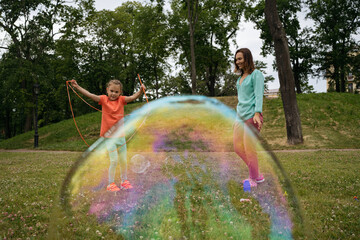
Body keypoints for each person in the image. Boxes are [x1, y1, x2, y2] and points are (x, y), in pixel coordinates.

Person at [70, 79, 146, 192]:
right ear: (107, 90)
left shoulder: (121, 100)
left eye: (116, 92)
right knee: (114, 161)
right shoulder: (103, 99)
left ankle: (124, 181)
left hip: (120, 137)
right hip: (109, 138)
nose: (113, 94)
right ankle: (111, 184)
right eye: (111, 91)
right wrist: (77, 87)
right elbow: (90, 95)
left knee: (123, 160)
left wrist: (140, 91)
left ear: (120, 93)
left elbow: (132, 97)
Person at [233, 48, 265, 188]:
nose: (237, 61)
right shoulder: (239, 79)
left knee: (249, 148)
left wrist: (257, 113)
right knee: (237, 147)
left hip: (252, 116)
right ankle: (257, 174)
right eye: (236, 59)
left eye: (240, 58)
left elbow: (259, 95)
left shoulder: (256, 74)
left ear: (247, 58)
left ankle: (253, 179)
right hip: (240, 117)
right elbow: (241, 100)